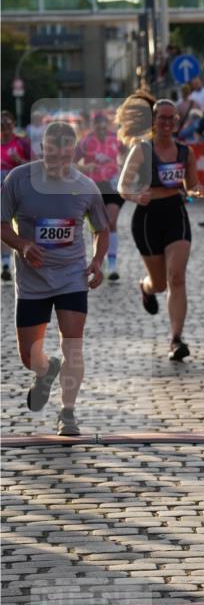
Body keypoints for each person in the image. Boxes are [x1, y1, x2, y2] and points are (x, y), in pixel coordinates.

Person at [0, 121, 109, 435]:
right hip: (32, 280)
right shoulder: (19, 179)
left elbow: (102, 229)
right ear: (42, 150)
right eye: (51, 154)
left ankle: (68, 412)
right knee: (28, 356)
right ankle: (44, 372)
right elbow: (3, 222)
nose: (58, 162)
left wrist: (98, 261)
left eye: (64, 155)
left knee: (73, 345)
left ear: (73, 152)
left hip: (71, 277)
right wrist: (22, 244)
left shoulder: (86, 186)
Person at [117, 96, 204, 362]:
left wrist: (196, 190)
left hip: (175, 215)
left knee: (177, 278)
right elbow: (123, 186)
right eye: (162, 117)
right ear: (153, 121)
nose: (167, 122)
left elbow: (190, 186)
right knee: (159, 283)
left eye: (171, 118)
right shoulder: (142, 150)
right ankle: (145, 288)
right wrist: (136, 196)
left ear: (177, 122)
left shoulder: (184, 152)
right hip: (146, 219)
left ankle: (176, 339)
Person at [75, 112, 123, 280]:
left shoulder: (116, 139)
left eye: (104, 125)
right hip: (94, 187)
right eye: (98, 125)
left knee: (111, 222)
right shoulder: (86, 142)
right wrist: (83, 169)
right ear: (94, 126)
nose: (101, 128)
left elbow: (129, 155)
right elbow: (71, 162)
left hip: (113, 185)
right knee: (99, 225)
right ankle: (98, 258)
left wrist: (124, 168)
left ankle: (112, 264)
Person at [1, 111, 31, 281]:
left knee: (19, 227)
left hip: (19, 191)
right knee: (3, 225)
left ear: (13, 125)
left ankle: (24, 257)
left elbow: (36, 165)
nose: (4, 129)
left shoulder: (22, 143)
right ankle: (5, 264)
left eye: (7, 125)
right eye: (1, 126)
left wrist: (19, 161)